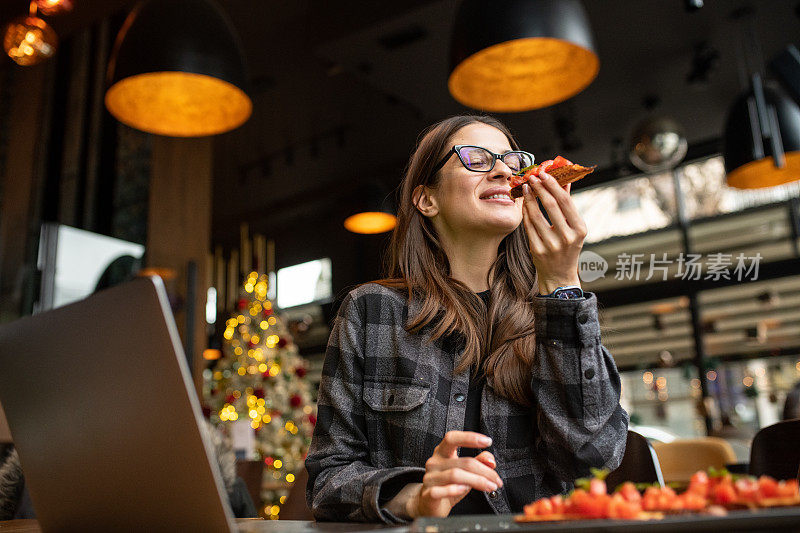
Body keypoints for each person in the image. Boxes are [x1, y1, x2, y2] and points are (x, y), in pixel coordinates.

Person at [304, 115, 628, 523]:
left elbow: (594, 456)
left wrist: (562, 285)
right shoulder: (371, 311)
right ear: (427, 200)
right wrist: (415, 497)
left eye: (513, 161)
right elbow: (328, 480)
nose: (502, 170)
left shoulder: (555, 311)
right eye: (476, 157)